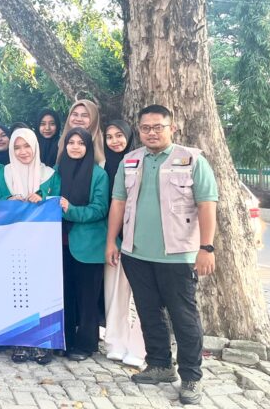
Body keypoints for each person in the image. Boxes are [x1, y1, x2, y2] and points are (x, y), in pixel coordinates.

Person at [106, 105, 218, 405]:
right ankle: (160, 365)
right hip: (136, 253)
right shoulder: (130, 160)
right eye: (146, 128)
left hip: (178, 255)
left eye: (158, 127)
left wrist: (206, 247)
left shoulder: (192, 160)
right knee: (148, 312)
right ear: (139, 130)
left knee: (184, 317)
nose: (152, 133)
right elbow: (118, 203)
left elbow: (207, 204)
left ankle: (191, 377)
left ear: (172, 128)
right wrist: (111, 242)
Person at [0, 127, 60, 365]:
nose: (22, 152)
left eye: (27, 146)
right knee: (16, 291)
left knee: (43, 290)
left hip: (42, 243)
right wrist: (8, 201)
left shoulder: (50, 175)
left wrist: (43, 199)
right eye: (17, 147)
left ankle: (44, 343)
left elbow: (59, 201)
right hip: (12, 243)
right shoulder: (3, 175)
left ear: (35, 147)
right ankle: (20, 341)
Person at [56, 128, 109, 362]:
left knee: (87, 298)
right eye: (71, 142)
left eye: (81, 143)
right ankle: (65, 340)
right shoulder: (57, 171)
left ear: (89, 147)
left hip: (88, 245)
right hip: (59, 244)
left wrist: (71, 210)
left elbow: (100, 209)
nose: (75, 147)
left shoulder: (99, 175)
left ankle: (86, 344)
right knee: (64, 295)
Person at [101, 119, 144, 367]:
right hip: (112, 235)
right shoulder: (102, 165)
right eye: (109, 136)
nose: (114, 141)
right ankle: (115, 342)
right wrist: (111, 239)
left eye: (119, 135)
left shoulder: (140, 162)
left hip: (140, 236)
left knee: (143, 296)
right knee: (114, 292)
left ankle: (138, 346)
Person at [59, 99, 105, 166]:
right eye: (75, 114)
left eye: (85, 115)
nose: (79, 119)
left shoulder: (105, 145)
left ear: (94, 119)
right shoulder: (61, 142)